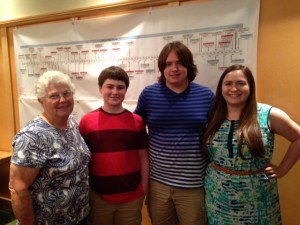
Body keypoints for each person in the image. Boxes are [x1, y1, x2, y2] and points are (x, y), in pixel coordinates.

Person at [203, 64, 300, 224]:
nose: (234, 88)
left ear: (250, 86)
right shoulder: (214, 115)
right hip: (217, 198)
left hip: (257, 199)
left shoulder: (268, 115)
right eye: (228, 84)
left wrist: (282, 169)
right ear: (221, 88)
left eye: (241, 83)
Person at [134, 41, 215, 225]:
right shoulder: (149, 95)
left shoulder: (206, 95)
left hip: (194, 185)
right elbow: (135, 127)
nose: (174, 69)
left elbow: (218, 132)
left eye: (180, 63)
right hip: (158, 183)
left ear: (189, 66)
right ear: (162, 68)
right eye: (168, 64)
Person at [9, 70, 91, 225]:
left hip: (80, 216)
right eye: (54, 96)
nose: (63, 99)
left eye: (67, 93)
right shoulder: (32, 137)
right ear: (41, 101)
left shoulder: (72, 122)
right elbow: (18, 189)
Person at [79, 66, 149, 225]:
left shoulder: (136, 122)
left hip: (131, 197)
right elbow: (83, 161)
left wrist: (144, 188)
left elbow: (143, 157)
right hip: (99, 197)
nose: (115, 92)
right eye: (109, 86)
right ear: (100, 88)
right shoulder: (86, 122)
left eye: (120, 87)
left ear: (126, 90)